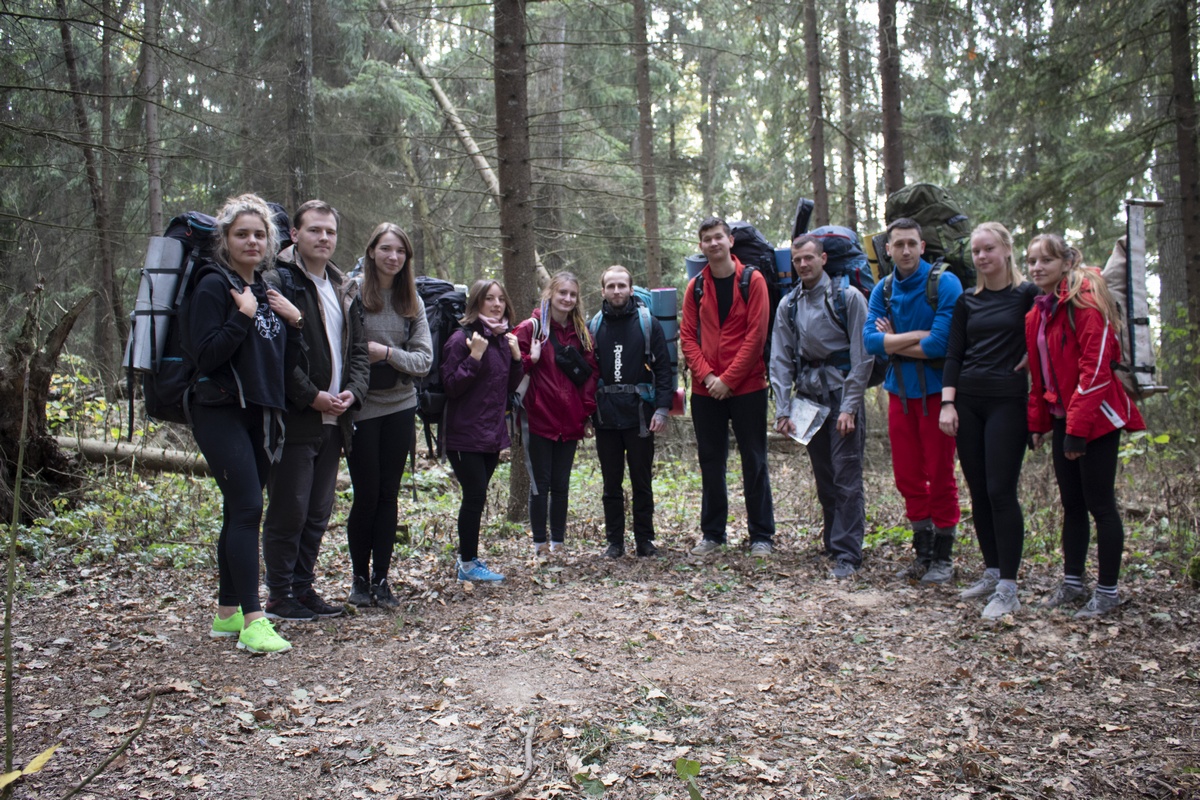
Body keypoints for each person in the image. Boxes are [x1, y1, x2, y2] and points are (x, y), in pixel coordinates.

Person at [189, 193, 294, 653]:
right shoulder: (214, 285)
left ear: (269, 241)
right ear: (225, 239)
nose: (252, 241)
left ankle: (227, 613)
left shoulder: (267, 289)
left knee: (239, 508)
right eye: (242, 234)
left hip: (259, 412)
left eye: (259, 234)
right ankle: (255, 621)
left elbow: (275, 360)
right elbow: (204, 354)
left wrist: (298, 320)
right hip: (218, 408)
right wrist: (242, 318)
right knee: (249, 507)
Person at [1024, 233, 1145, 618]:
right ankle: (1073, 583)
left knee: (1100, 504)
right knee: (1072, 504)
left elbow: (1093, 371)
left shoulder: (1087, 304)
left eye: (1046, 260)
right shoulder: (1040, 311)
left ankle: (1107, 591)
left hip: (1097, 418)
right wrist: (1039, 422)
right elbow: (1042, 377)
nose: (1037, 267)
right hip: (1066, 417)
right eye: (1031, 261)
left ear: (1065, 262)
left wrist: (1077, 428)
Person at [261, 200, 370, 622]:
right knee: (290, 508)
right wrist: (312, 396)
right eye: (315, 231)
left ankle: (303, 589)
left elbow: (357, 350)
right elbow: (278, 354)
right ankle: (278, 595)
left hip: (335, 418)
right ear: (294, 235)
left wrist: (351, 394)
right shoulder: (279, 282)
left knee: (319, 510)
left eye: (330, 232)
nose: (323, 238)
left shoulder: (343, 286)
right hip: (297, 417)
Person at [938, 223, 1038, 619]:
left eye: (989, 249)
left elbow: (1046, 331)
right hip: (969, 402)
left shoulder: (1027, 294)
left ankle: (1009, 587)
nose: (981, 257)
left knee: (1000, 490)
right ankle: (993, 572)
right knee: (978, 491)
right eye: (976, 251)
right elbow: (953, 354)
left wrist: (1035, 356)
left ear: (1006, 250)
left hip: (1008, 403)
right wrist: (948, 403)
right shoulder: (967, 300)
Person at [864, 218, 963, 583]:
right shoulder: (884, 289)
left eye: (911, 243)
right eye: (898, 244)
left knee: (940, 474)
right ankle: (922, 551)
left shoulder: (944, 283)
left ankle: (943, 556)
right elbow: (870, 343)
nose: (905, 250)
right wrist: (915, 336)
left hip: (938, 394)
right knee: (907, 476)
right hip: (899, 394)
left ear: (922, 247)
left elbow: (941, 344)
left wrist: (896, 340)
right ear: (887, 249)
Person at [770, 235, 871, 578]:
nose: (803, 265)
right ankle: (834, 543)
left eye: (809, 258)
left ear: (823, 258)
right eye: (797, 260)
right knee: (825, 476)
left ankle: (848, 554)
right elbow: (780, 359)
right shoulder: (789, 305)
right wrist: (783, 409)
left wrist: (851, 407)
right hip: (809, 400)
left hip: (842, 396)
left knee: (847, 475)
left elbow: (863, 356)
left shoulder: (848, 297)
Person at [345, 223, 432, 608]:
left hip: (400, 406)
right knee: (365, 496)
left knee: (388, 494)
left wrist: (385, 353)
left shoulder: (411, 302)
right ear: (371, 251)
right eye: (386, 249)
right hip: (361, 408)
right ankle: (358, 581)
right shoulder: (352, 294)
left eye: (400, 251)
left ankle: (382, 580)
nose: (393, 257)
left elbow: (424, 360)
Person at [680, 216, 776, 557]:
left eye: (718, 237)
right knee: (711, 460)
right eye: (706, 239)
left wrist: (729, 379)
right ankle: (713, 534)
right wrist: (708, 378)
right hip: (706, 390)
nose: (713, 243)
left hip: (747, 385)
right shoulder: (697, 287)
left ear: (730, 241)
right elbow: (688, 337)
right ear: (701, 246)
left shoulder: (754, 280)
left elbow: (756, 336)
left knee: (754, 459)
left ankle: (762, 535)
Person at [442, 279, 525, 582]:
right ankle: (467, 565)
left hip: (491, 434)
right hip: (463, 434)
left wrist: (517, 359)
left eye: (501, 299)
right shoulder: (460, 339)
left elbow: (508, 385)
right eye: (489, 298)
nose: (496, 304)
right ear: (476, 302)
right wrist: (475, 357)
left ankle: (468, 560)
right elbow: (451, 386)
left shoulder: (503, 339)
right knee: (474, 496)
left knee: (477, 496)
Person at [589, 265, 673, 558]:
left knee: (642, 480)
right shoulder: (595, 325)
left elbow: (663, 368)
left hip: (640, 416)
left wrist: (662, 408)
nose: (616, 291)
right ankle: (614, 543)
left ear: (630, 288)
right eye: (610, 286)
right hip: (605, 417)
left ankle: (644, 541)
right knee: (611, 482)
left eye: (621, 286)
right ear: (603, 291)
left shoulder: (648, 323)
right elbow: (589, 373)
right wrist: (587, 414)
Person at [515, 271, 598, 558]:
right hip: (538, 418)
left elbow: (590, 377)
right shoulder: (532, 329)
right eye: (562, 292)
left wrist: (586, 413)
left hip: (571, 420)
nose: (567, 298)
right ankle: (539, 545)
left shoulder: (582, 334)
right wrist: (531, 358)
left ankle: (558, 543)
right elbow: (511, 367)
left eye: (572, 294)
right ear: (550, 293)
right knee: (540, 483)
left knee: (561, 484)